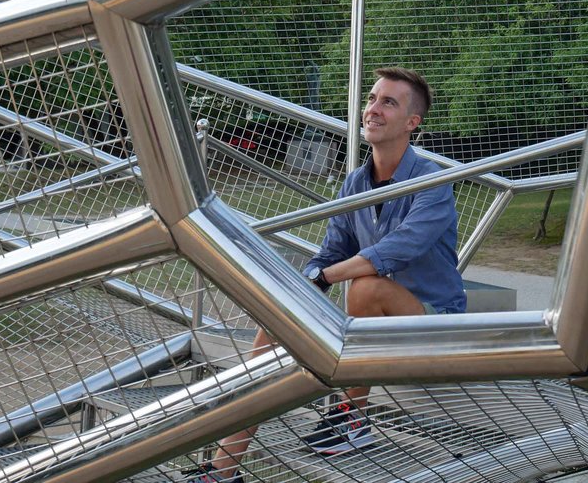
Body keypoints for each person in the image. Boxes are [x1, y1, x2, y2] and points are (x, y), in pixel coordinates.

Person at [180, 67, 465, 482]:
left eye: (389, 102)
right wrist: (309, 281)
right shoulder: (355, 182)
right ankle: (224, 468)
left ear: (411, 123)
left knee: (364, 286)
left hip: (434, 326)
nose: (373, 109)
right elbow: (331, 251)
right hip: (371, 330)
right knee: (287, 312)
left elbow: (394, 251)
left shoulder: (434, 182)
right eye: (371, 98)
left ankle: (353, 418)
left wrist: (324, 278)